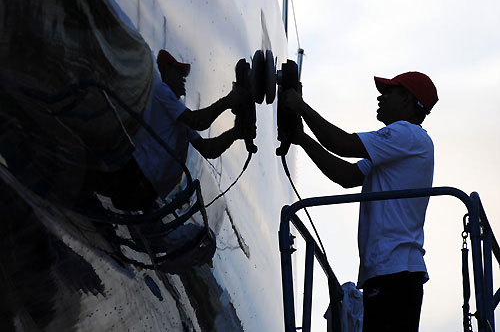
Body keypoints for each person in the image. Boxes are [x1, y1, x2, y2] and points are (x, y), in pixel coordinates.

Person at [282, 71, 438, 332]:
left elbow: (341, 144)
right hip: (391, 272)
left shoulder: (406, 134)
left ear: (408, 101)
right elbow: (346, 175)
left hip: (394, 272)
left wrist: (300, 106)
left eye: (389, 92)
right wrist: (301, 138)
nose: (381, 96)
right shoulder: (396, 148)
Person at [108, 49, 251, 211]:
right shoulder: (161, 91)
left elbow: (208, 149)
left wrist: (236, 132)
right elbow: (198, 122)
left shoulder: (179, 114)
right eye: (179, 72)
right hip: (137, 177)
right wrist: (229, 100)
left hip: (150, 187)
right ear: (166, 73)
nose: (183, 79)